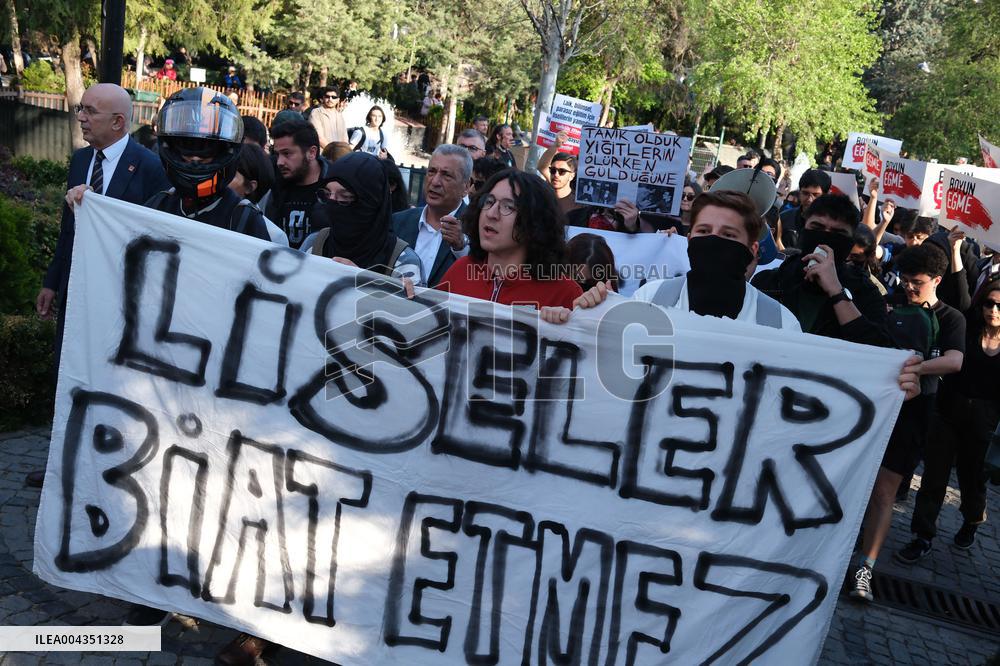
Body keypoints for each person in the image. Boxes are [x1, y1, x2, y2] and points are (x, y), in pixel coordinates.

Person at [30, 83, 168, 488]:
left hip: (122, 296)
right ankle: (61, 461)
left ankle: (107, 465)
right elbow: (68, 231)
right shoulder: (79, 161)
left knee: (111, 380)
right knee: (68, 372)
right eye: (81, 109)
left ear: (118, 121)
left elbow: (152, 232)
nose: (81, 117)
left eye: (90, 111)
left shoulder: (148, 166)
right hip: (78, 290)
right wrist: (52, 282)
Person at [850, 242, 965, 601]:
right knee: (853, 485)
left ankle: (865, 569)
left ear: (937, 279)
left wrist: (910, 366)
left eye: (917, 282)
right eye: (904, 280)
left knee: (885, 492)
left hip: (913, 414)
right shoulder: (889, 303)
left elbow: (954, 361)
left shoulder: (951, 318)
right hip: (869, 408)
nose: (909, 287)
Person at [548, 190, 801, 330]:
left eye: (728, 234)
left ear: (752, 248)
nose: (714, 241)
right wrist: (581, 317)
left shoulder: (782, 324)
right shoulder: (649, 299)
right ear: (689, 240)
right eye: (704, 231)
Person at [898, 278, 1000, 559]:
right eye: (989, 303)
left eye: (999, 306)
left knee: (971, 478)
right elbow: (959, 290)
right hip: (947, 411)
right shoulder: (967, 330)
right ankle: (922, 536)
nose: (993, 310)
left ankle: (972, 519)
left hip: (984, 421)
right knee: (933, 477)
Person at [752, 193, 891, 346]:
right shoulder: (769, 282)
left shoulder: (865, 292)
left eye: (838, 233)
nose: (825, 237)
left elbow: (880, 349)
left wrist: (837, 292)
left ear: (849, 242)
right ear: (803, 229)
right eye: (817, 228)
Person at [435, 169, 582, 309]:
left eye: (508, 207)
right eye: (489, 202)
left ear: (535, 222)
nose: (491, 214)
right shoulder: (460, 270)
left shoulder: (564, 294)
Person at [300, 153, 422, 284]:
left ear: (371, 202)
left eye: (345, 197)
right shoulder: (315, 244)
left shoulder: (402, 262)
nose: (333, 205)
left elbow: (409, 303)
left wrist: (364, 285)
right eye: (327, 194)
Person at [392, 144, 471, 286]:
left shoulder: (478, 229)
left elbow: (484, 278)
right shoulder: (398, 221)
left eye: (446, 175)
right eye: (432, 172)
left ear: (466, 186)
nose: (435, 182)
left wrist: (461, 248)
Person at [259, 119, 333, 249]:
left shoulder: (335, 190)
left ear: (312, 152)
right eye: (277, 154)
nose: (280, 162)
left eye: (287, 153)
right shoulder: (270, 185)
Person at [776, 168, 831, 250]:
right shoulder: (784, 218)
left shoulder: (833, 225)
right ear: (799, 192)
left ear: (827, 195)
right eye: (805, 193)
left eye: (816, 195)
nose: (810, 199)